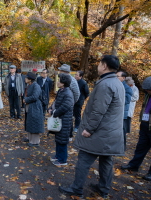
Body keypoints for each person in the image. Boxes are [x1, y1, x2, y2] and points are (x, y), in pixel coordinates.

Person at [59, 55, 125, 199]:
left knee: (84, 159)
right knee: (106, 161)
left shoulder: (105, 84)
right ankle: (103, 189)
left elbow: (98, 111)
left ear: (105, 66)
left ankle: (76, 189)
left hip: (100, 132)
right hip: (111, 132)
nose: (98, 66)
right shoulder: (117, 83)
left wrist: (89, 129)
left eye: (100, 63)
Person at [121, 77, 151, 181]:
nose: (146, 91)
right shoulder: (148, 95)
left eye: (148, 89)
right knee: (140, 147)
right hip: (145, 125)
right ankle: (133, 165)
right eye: (146, 89)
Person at [48, 73, 74, 166]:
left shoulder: (68, 93)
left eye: (59, 81)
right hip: (59, 119)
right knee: (58, 139)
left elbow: (64, 107)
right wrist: (50, 108)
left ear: (63, 83)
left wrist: (54, 112)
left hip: (65, 120)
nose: (57, 82)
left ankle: (63, 160)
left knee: (62, 140)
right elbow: (55, 102)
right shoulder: (61, 91)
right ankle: (58, 155)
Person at [58, 64, 80, 140]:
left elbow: (77, 93)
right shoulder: (62, 78)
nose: (59, 71)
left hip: (68, 103)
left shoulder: (72, 80)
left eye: (60, 70)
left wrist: (72, 102)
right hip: (63, 102)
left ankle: (69, 135)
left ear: (64, 72)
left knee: (68, 119)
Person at [23, 72, 44, 147]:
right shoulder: (29, 85)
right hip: (29, 106)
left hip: (35, 106)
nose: (25, 79)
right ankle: (29, 138)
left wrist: (26, 100)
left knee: (34, 122)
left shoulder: (36, 86)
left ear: (30, 79)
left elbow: (35, 96)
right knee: (29, 122)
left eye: (26, 78)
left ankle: (35, 141)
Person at [116, 70, 133, 150]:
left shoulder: (127, 88)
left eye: (117, 76)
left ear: (123, 78)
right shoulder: (116, 85)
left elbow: (126, 101)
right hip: (115, 112)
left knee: (122, 131)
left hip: (122, 113)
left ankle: (122, 147)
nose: (116, 78)